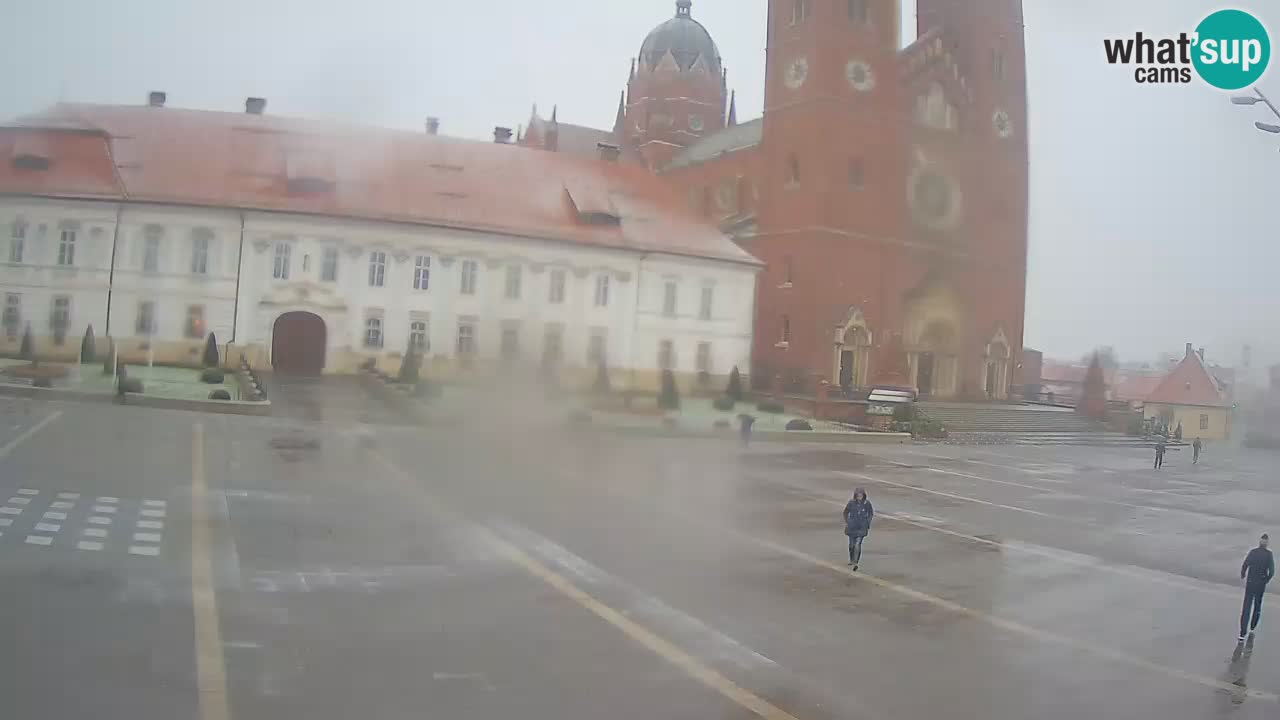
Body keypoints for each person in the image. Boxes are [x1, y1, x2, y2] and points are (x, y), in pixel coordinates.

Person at [1240, 534, 1275, 640]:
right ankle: (1253, 626)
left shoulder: (1253, 552)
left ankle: (1242, 632)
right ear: (1267, 543)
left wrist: (1243, 574)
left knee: (1246, 607)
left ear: (1260, 542)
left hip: (1251, 582)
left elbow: (1245, 564)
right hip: (1260, 584)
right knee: (1257, 605)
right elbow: (1272, 571)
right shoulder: (1269, 555)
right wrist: (1266, 580)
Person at [843, 488, 874, 571]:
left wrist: (868, 522)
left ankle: (856, 562)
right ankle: (852, 559)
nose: (859, 497)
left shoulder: (866, 503)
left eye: (861, 495)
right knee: (851, 545)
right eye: (858, 495)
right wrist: (847, 521)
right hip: (852, 527)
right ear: (855, 496)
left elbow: (871, 513)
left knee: (857, 545)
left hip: (862, 527)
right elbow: (845, 512)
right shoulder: (851, 503)